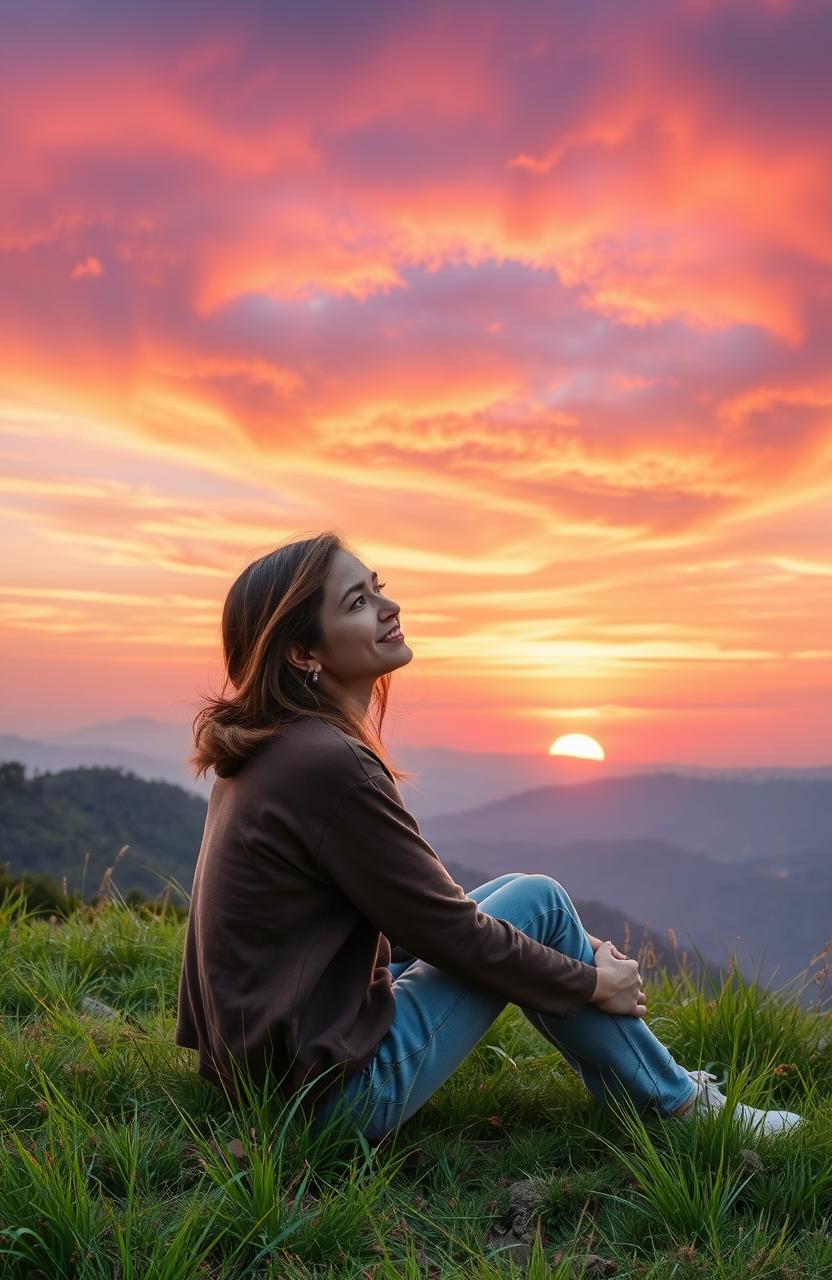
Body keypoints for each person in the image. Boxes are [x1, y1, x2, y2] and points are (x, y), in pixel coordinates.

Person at [174, 531, 802, 1146]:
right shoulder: (328, 764)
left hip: (264, 1084)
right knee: (539, 902)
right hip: (333, 1100)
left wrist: (565, 963)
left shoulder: (271, 752)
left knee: (515, 902)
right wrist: (588, 982)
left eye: (378, 590)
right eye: (358, 603)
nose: (390, 609)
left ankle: (656, 1086)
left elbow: (388, 925)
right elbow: (446, 933)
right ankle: (682, 1108)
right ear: (302, 654)